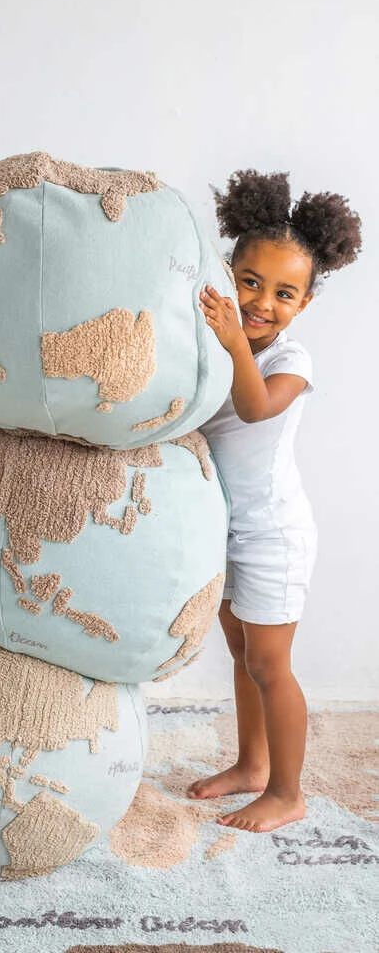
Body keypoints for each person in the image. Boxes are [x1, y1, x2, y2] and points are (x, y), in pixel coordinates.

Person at [187, 170, 361, 832]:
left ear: (304, 303)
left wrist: (234, 340)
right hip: (221, 527)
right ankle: (252, 766)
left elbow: (255, 407)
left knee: (269, 663)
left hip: (272, 533)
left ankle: (288, 792)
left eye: (284, 293)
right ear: (226, 272)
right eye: (249, 282)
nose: (262, 303)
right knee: (240, 655)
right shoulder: (213, 339)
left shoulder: (291, 359)